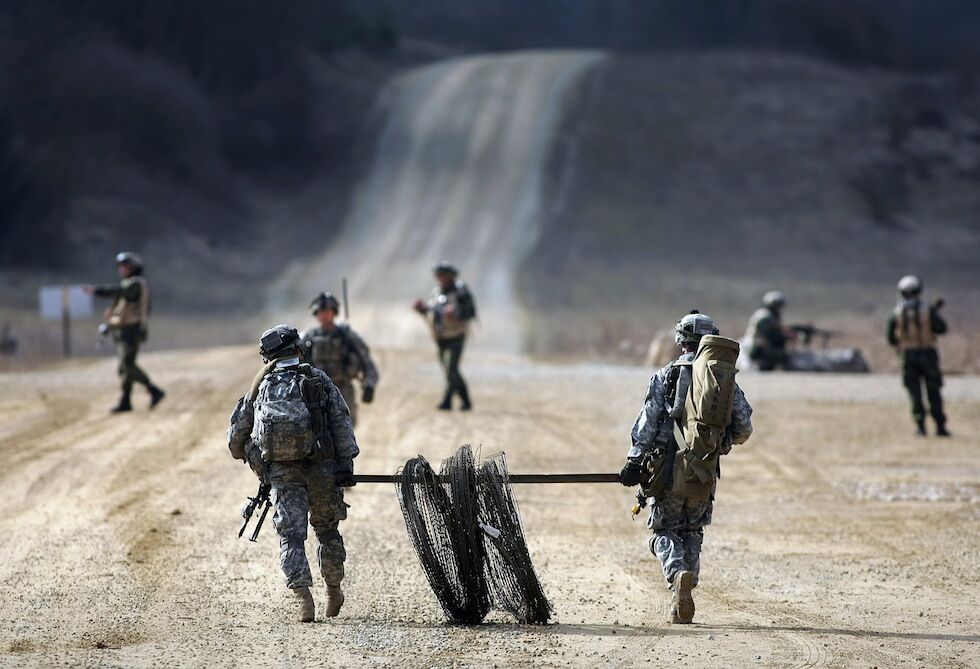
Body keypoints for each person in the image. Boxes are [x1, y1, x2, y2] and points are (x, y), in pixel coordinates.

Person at [620, 311, 753, 624]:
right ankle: (686, 584)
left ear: (680, 340)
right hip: (703, 472)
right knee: (692, 530)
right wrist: (721, 443)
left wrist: (633, 461)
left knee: (663, 532)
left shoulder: (666, 375)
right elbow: (744, 426)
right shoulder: (723, 379)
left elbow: (647, 423)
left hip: (665, 472)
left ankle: (678, 573)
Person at [227, 324, 358, 622]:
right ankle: (333, 590)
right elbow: (341, 423)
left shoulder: (260, 385)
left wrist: (258, 461)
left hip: (284, 474)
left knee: (291, 537)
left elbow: (235, 440)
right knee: (327, 531)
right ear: (298, 349)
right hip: (322, 469)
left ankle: (304, 600)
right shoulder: (317, 378)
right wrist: (345, 467)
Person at [84, 252, 165, 413]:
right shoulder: (130, 284)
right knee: (124, 367)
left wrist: (95, 290)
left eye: (126, 266)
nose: (122, 270)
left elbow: (118, 291)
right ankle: (126, 400)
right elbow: (121, 308)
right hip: (123, 330)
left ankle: (153, 390)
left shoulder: (135, 284)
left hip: (132, 330)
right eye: (121, 267)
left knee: (127, 365)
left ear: (134, 267)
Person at [301, 292, 379, 427]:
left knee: (345, 432)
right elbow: (296, 359)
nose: (324, 315)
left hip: (343, 390)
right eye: (321, 311)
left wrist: (369, 385)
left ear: (334, 312)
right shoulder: (309, 336)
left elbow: (365, 359)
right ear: (316, 313)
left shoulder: (346, 335)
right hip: (316, 392)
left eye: (327, 311)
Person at [887, 275, 949, 437]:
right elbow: (942, 329)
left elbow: (891, 338)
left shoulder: (897, 312)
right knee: (933, 390)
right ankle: (940, 426)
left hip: (908, 355)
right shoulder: (927, 310)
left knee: (914, 392)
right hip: (928, 354)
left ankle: (920, 426)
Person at [413, 262, 476, 411]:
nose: (439, 279)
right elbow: (433, 311)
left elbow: (470, 312)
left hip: (456, 335)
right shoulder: (436, 292)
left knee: (451, 368)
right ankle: (466, 400)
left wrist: (456, 313)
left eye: (442, 276)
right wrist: (421, 309)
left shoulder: (462, 293)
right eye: (438, 276)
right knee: (448, 370)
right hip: (441, 337)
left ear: (450, 277)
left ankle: (447, 401)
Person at [745, 291, 797, 371]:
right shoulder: (763, 315)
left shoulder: (771, 316)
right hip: (754, 348)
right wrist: (786, 337)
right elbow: (769, 334)